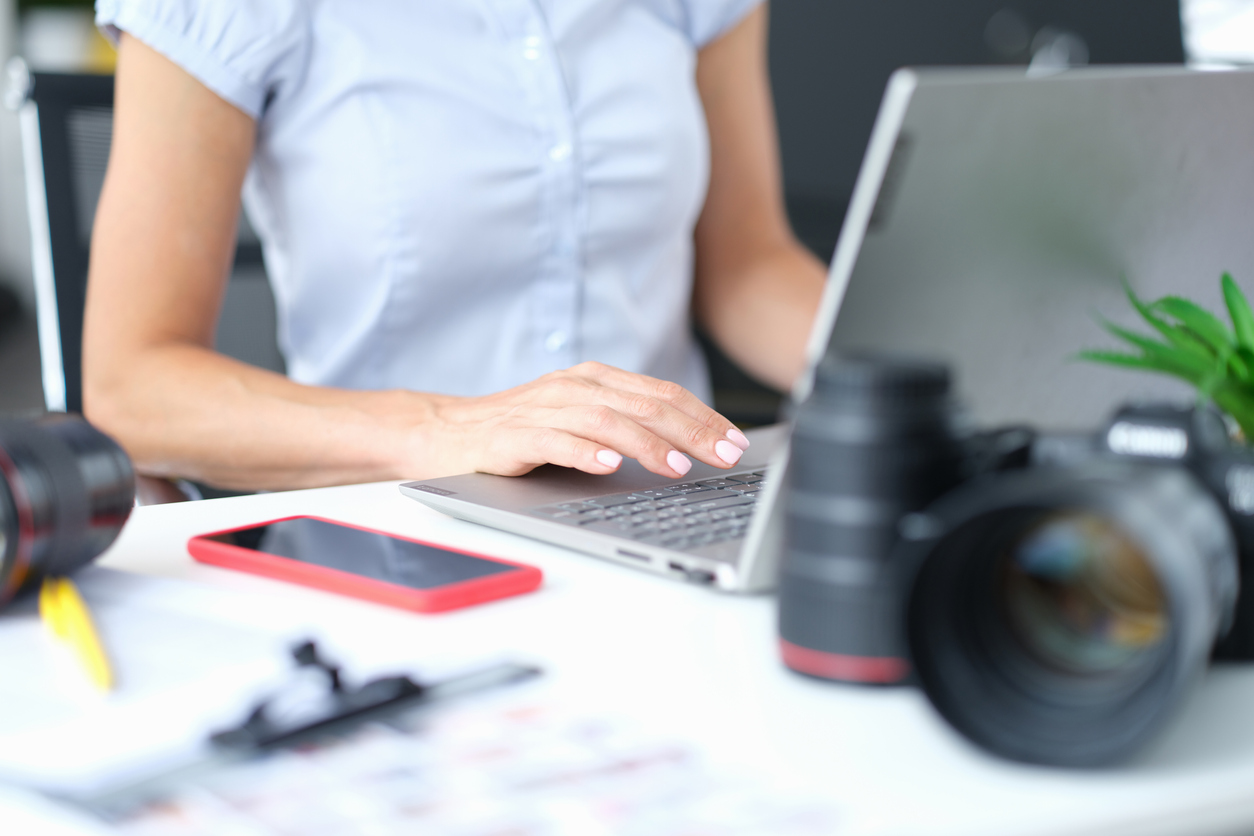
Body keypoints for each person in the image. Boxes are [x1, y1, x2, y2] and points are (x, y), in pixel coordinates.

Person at [83, 0, 827, 492]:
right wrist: (453, 428)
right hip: (396, 523)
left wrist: (914, 368)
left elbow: (746, 267)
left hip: (672, 497)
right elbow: (133, 388)